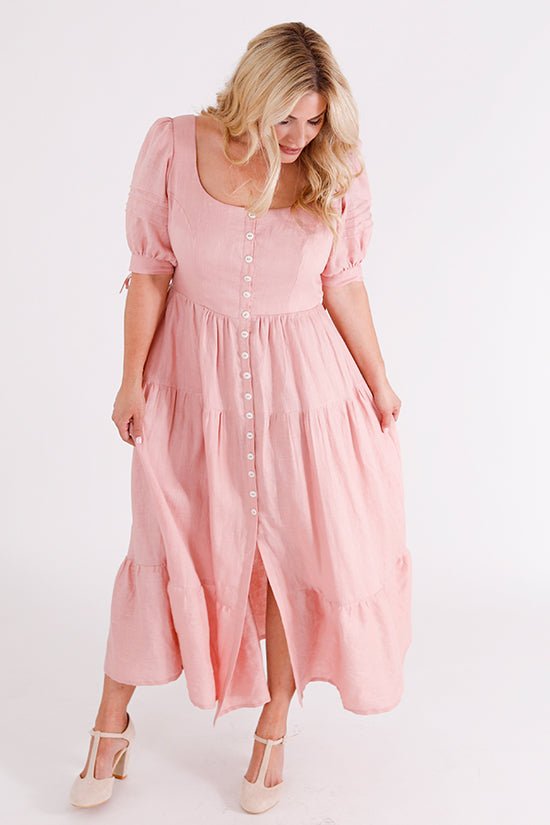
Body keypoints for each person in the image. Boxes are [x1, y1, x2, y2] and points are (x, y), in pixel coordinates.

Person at [70, 21, 412, 815]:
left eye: (315, 120)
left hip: (306, 396)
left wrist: (380, 381)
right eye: (285, 117)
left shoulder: (335, 166)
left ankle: (273, 724)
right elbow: (151, 272)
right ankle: (109, 723)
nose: (299, 136)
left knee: (292, 556)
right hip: (193, 390)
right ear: (250, 93)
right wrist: (129, 381)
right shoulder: (174, 146)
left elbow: (344, 283)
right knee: (164, 546)